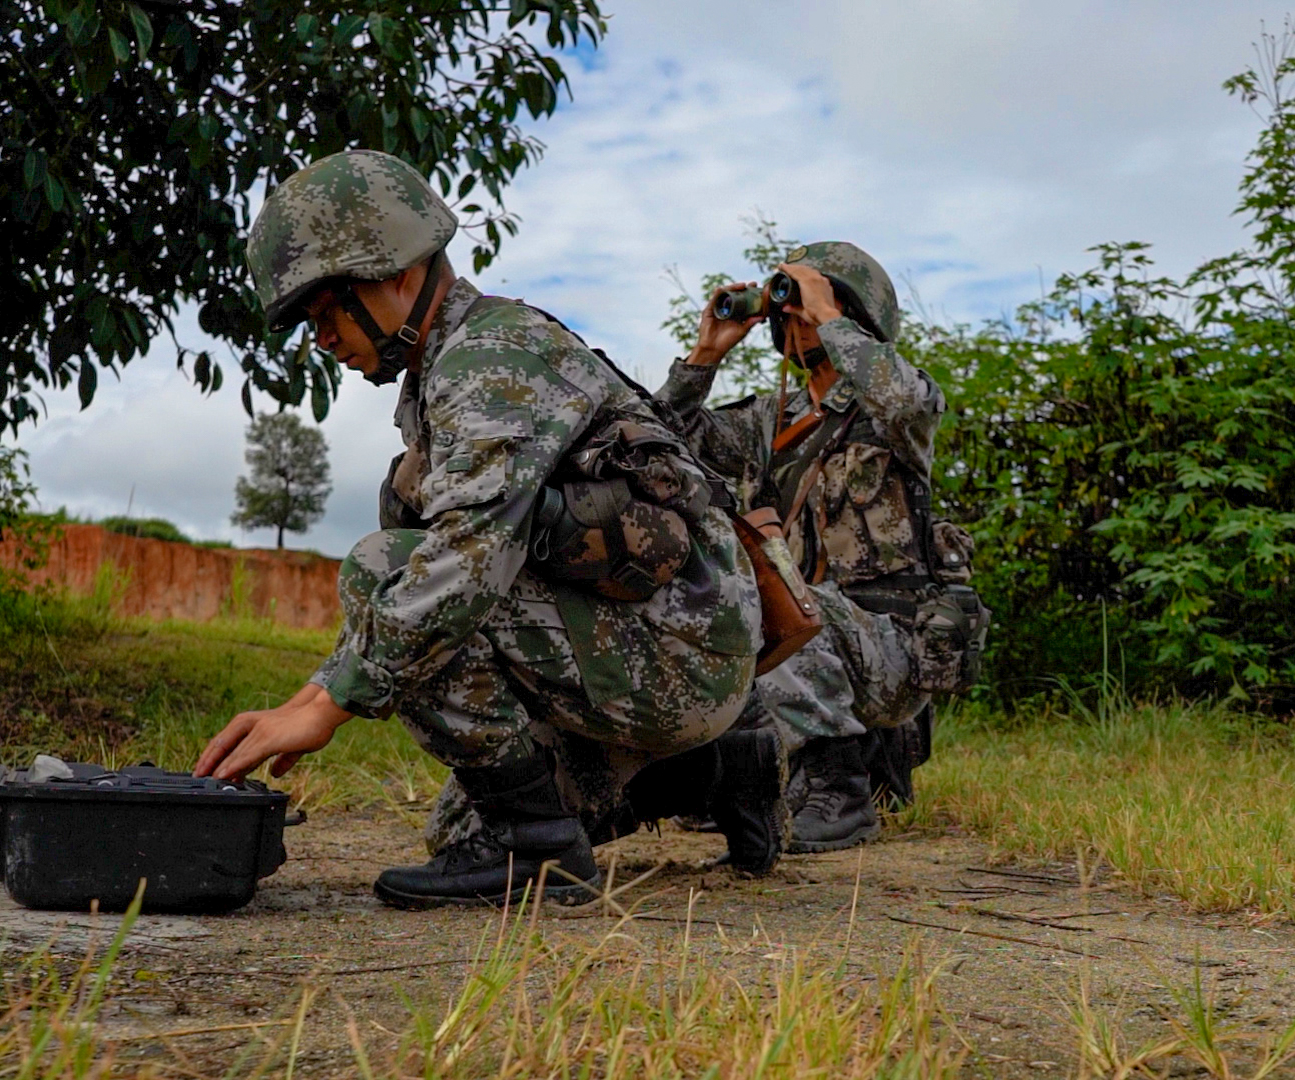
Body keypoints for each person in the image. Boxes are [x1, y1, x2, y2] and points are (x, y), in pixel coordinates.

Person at [194, 150, 781, 909]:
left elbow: (458, 567)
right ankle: (716, 770)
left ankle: (540, 851)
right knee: (458, 827)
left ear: (396, 273)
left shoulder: (490, 360)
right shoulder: (443, 370)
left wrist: (325, 707)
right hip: (654, 644)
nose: (322, 338)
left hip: (679, 654)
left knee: (383, 565)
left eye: (327, 309)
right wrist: (313, 692)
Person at [655, 242, 988, 853]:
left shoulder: (892, 412)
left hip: (893, 648)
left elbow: (906, 398)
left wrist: (828, 313)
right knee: (707, 605)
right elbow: (661, 443)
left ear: (854, 315)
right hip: (809, 642)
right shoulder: (768, 422)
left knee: (780, 606)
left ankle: (840, 789)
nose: (794, 318)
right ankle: (761, 778)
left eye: (804, 305)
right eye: (787, 309)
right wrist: (705, 355)